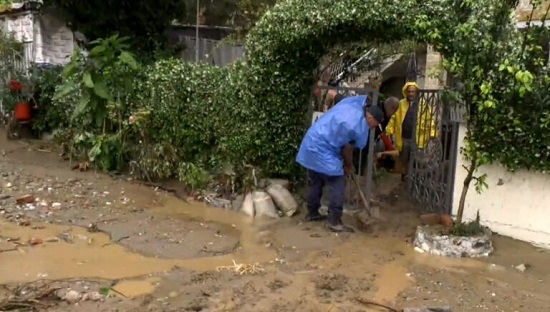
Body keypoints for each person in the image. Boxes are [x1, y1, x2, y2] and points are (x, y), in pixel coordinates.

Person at [296, 95, 385, 233]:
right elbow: (347, 148)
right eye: (375, 124)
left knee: (317, 180)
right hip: (323, 148)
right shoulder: (356, 125)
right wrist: (348, 166)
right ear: (370, 118)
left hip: (312, 142)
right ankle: (334, 221)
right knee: (338, 182)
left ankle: (312, 212)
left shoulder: (352, 107)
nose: (373, 128)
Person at [385, 82, 436, 180]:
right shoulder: (401, 104)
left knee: (416, 159)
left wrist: (432, 134)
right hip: (404, 137)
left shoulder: (423, 104)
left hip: (418, 138)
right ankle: (404, 178)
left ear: (416, 92)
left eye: (413, 92)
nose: (411, 94)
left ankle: (415, 179)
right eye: (409, 91)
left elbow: (430, 120)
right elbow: (394, 118)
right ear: (406, 92)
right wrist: (389, 130)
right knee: (404, 158)